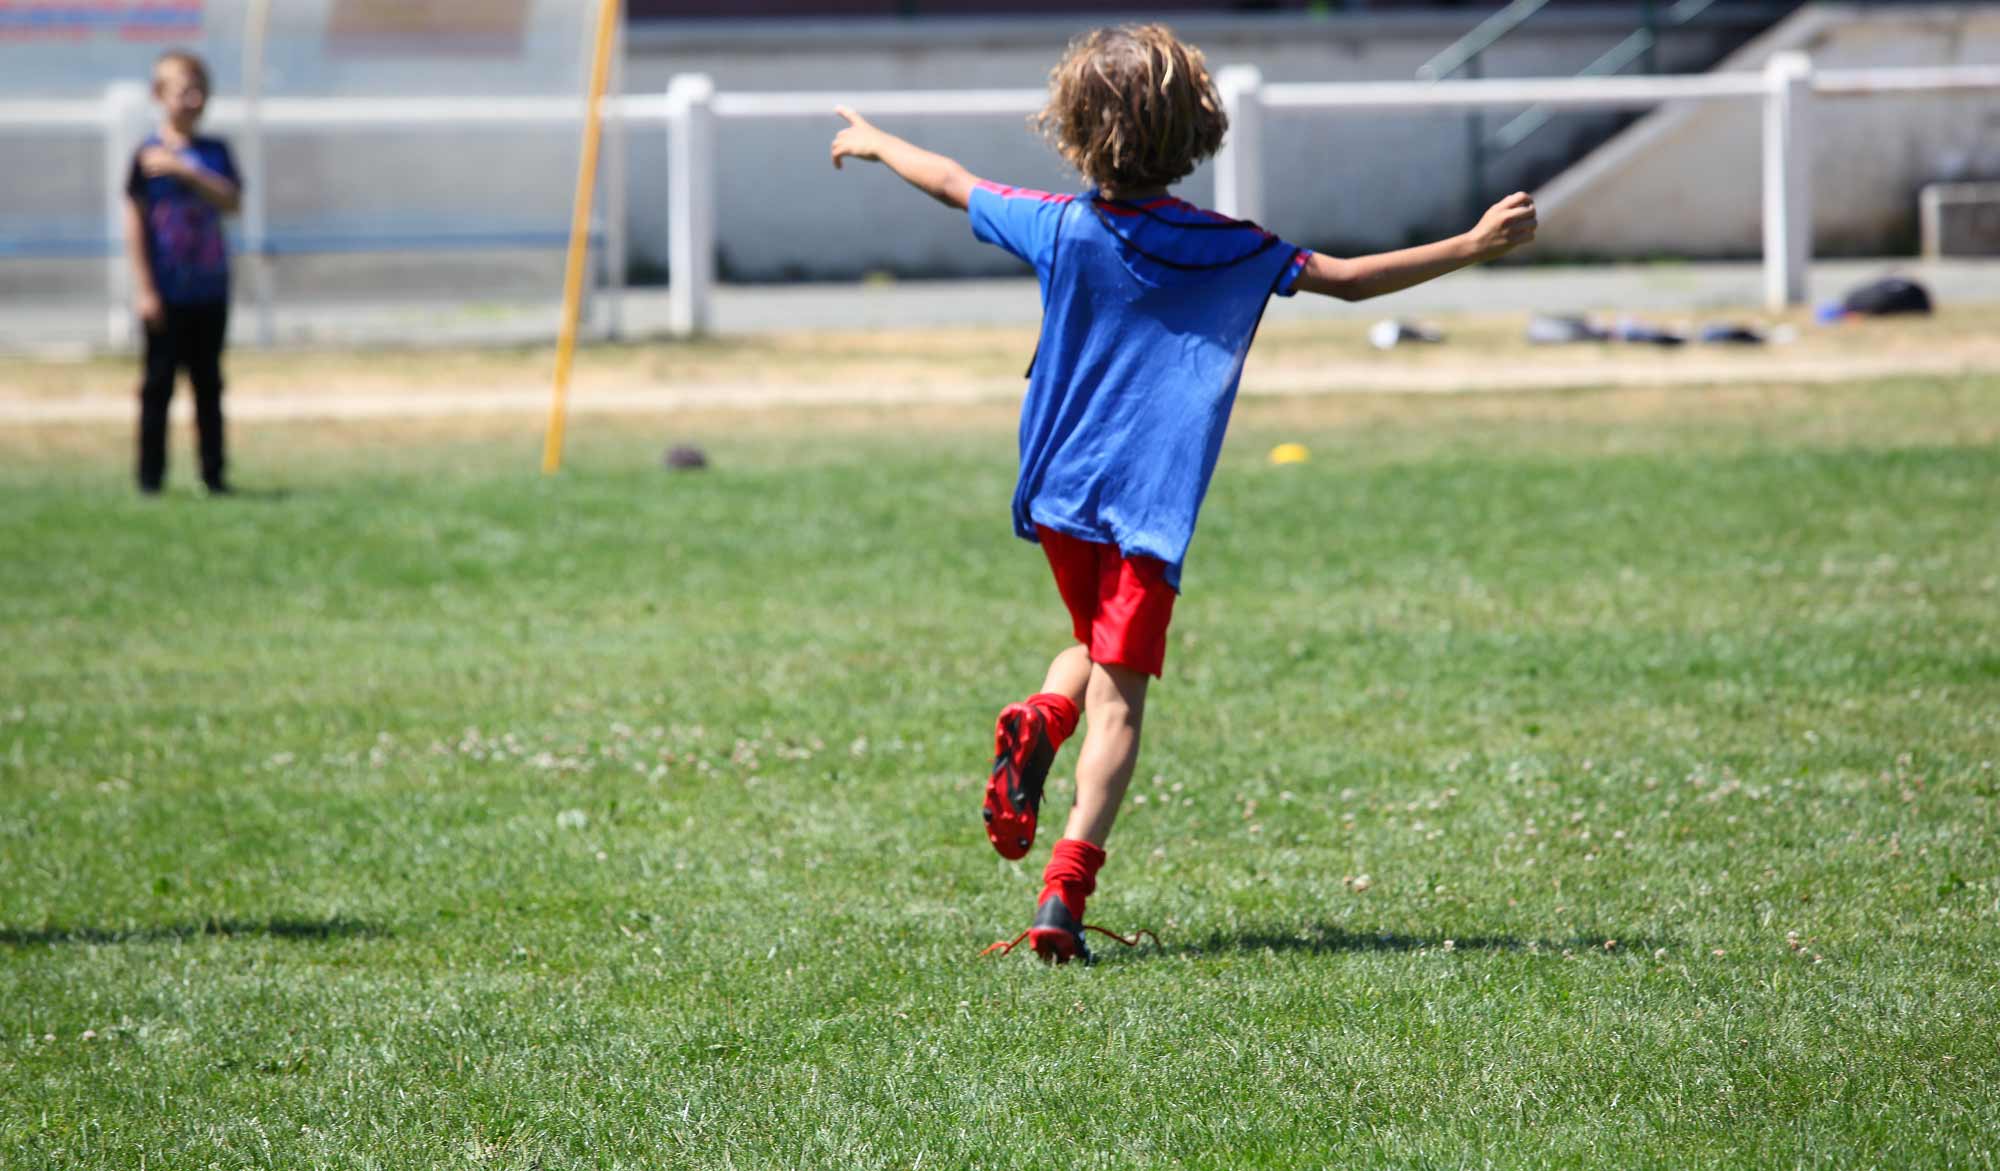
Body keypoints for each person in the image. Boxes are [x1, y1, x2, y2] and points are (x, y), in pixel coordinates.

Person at [829, 24, 1537, 963]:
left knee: (1089, 649)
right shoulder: (1231, 249)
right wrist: (1475, 244)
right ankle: (1062, 899)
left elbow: (954, 179)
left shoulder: (1058, 223)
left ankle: (1041, 717)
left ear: (1075, 130)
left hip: (1058, 496)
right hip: (1146, 511)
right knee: (1121, 699)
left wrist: (876, 142)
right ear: (1199, 131)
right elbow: (1350, 281)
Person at [124, 48, 242, 496]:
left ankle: (214, 475)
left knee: (208, 385)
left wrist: (184, 169)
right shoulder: (145, 156)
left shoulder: (214, 153)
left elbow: (232, 200)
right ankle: (150, 480)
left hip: (209, 289)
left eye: (199, 89)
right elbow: (134, 223)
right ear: (160, 95)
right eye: (182, 89)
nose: (192, 99)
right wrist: (145, 289)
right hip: (166, 289)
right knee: (158, 386)